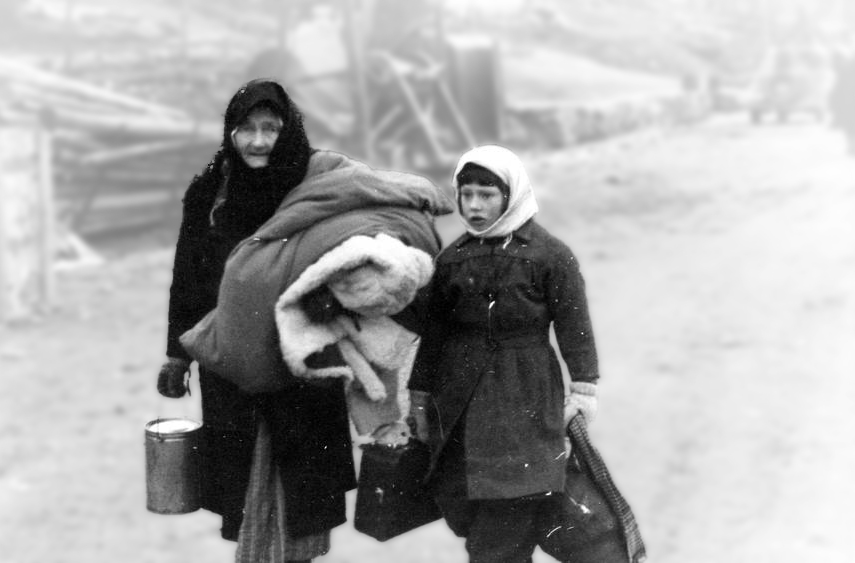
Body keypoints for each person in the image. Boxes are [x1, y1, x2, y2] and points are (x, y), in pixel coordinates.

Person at [156, 78, 450, 562]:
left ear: (287, 129)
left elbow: (363, 238)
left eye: (270, 128)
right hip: (233, 358)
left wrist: (331, 298)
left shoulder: (317, 181)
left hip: (303, 360)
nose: (257, 141)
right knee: (245, 487)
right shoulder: (210, 191)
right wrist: (176, 355)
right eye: (246, 129)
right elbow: (188, 276)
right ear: (230, 131)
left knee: (301, 498)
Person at [410, 144, 628, 562]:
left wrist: (584, 389)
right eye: (466, 194)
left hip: (525, 391)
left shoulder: (550, 256)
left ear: (511, 195)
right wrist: (419, 398)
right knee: (472, 500)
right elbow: (434, 337)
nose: (474, 206)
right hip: (462, 399)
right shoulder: (452, 260)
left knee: (510, 503)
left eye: (486, 195)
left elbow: (574, 328)